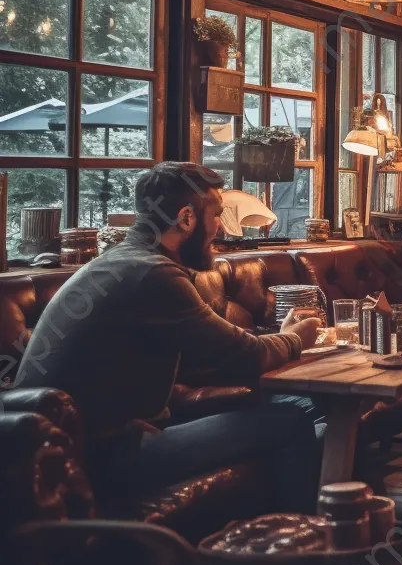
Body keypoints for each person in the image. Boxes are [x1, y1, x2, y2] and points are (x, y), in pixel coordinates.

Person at [15, 162, 324, 513]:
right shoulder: (153, 275)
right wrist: (295, 337)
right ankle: (312, 543)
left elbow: (211, 349)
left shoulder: (122, 261)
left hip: (100, 444)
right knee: (291, 420)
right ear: (187, 218)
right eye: (217, 216)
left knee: (299, 405)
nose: (221, 228)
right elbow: (248, 354)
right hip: (107, 457)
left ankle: (303, 530)